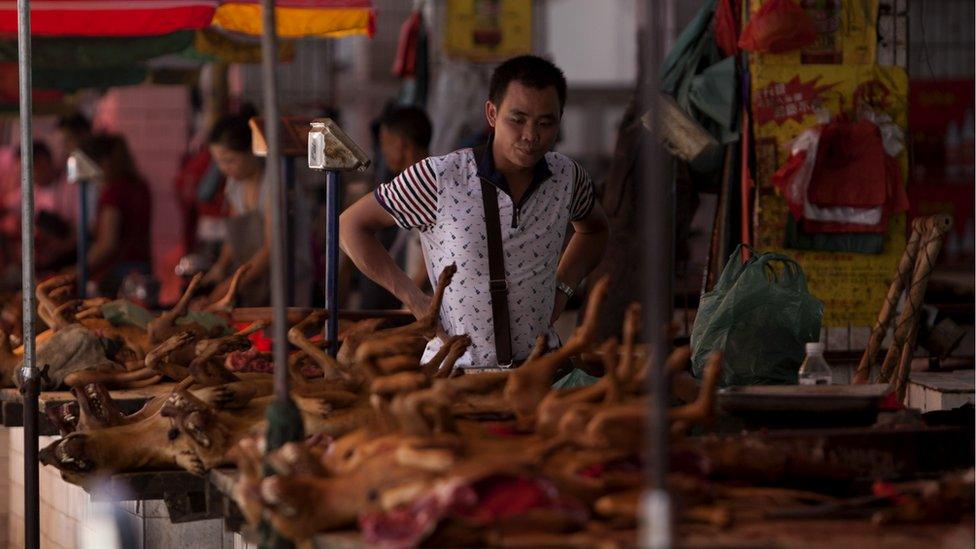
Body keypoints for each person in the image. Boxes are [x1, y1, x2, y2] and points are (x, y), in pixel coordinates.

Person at [340, 55, 610, 369]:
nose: (531, 135)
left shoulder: (567, 177)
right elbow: (351, 225)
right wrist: (416, 300)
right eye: (517, 119)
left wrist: (563, 288)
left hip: (540, 373)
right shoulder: (440, 177)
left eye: (545, 122)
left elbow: (594, 230)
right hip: (455, 376)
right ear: (492, 114)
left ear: (560, 119)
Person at [200, 107, 313, 307]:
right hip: (255, 282)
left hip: (288, 280)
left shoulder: (276, 182)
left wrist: (225, 289)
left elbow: (272, 249)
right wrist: (220, 267)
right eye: (219, 162)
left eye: (230, 160)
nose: (224, 168)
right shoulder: (235, 184)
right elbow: (235, 235)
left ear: (251, 151)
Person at [357, 105, 432, 310]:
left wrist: (411, 301)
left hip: (424, 304)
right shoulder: (420, 180)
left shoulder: (423, 183)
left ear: (401, 144)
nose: (383, 152)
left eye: (385, 143)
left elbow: (428, 262)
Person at [74, 134, 153, 297]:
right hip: (143, 269)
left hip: (118, 275)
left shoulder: (113, 192)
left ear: (102, 163)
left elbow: (108, 243)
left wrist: (78, 271)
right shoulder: (140, 186)